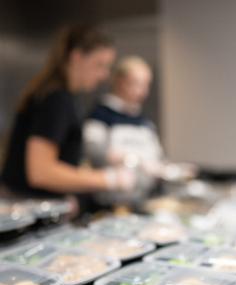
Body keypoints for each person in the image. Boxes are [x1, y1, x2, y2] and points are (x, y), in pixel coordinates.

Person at [1, 23, 136, 208]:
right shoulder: (54, 99)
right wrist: (106, 178)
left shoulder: (69, 97)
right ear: (76, 56)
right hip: (24, 207)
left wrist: (66, 193)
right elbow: (40, 172)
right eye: (99, 65)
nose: (103, 75)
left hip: (37, 203)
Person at [83, 56, 196, 207]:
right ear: (117, 80)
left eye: (145, 84)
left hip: (142, 200)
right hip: (111, 202)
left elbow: (157, 158)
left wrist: (172, 170)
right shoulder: (101, 114)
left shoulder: (144, 121)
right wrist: (136, 160)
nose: (141, 91)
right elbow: (93, 150)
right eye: (134, 83)